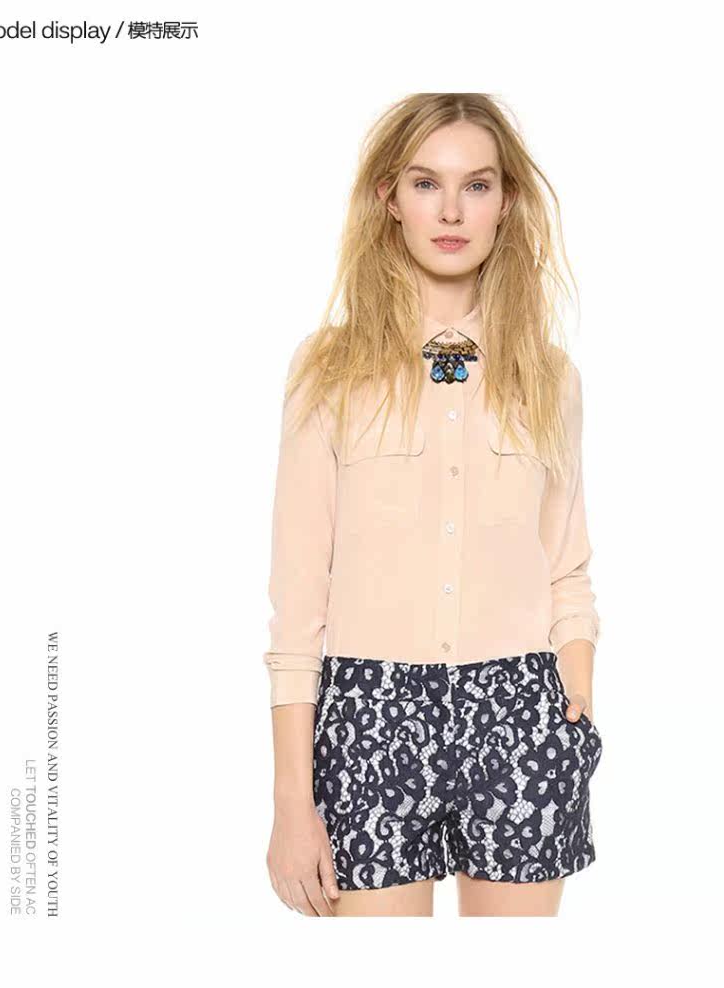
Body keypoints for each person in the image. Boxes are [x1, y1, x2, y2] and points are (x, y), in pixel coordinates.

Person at [262, 93, 603, 918]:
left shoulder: (548, 376)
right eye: (426, 183)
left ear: (506, 202)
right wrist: (291, 803)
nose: (451, 211)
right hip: (371, 716)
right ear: (389, 197)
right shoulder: (329, 370)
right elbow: (299, 602)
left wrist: (576, 699)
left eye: (476, 185)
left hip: (520, 710)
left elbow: (567, 567)